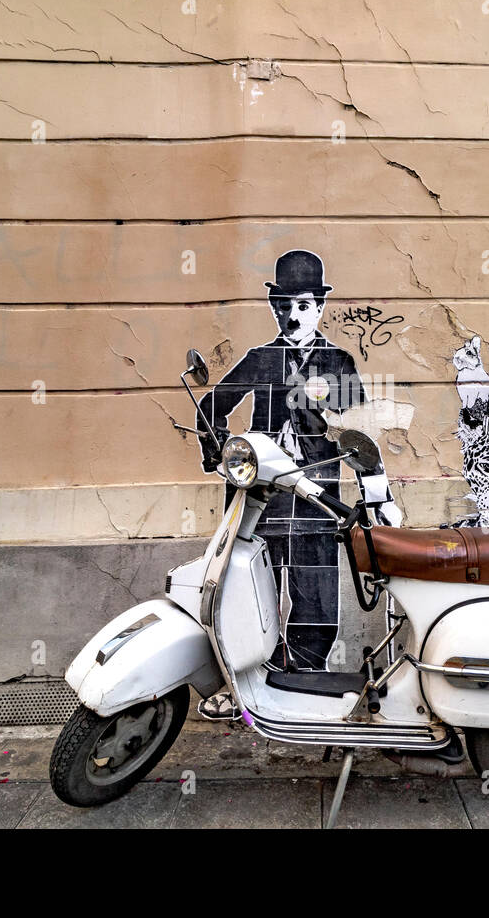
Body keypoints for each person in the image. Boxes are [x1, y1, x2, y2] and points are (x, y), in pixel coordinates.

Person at [196, 250, 400, 719]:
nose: (292, 314)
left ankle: (304, 691)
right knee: (247, 594)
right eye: (284, 304)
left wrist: (376, 495)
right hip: (259, 503)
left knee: (316, 602)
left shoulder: (337, 362)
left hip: (317, 500)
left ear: (319, 307)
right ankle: (247, 682)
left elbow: (358, 430)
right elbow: (211, 407)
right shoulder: (261, 359)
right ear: (274, 307)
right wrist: (225, 455)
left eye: (303, 305)